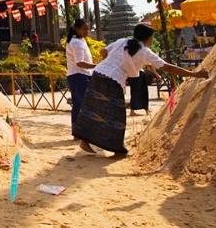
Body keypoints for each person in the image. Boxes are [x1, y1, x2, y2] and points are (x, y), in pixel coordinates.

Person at [73, 23, 208, 157]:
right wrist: (194, 74)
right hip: (112, 80)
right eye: (152, 37)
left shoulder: (122, 41)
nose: (152, 40)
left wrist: (110, 62)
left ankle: (85, 141)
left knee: (93, 108)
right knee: (116, 115)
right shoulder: (144, 52)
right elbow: (167, 67)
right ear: (147, 38)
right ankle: (117, 149)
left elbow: (103, 51)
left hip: (98, 73)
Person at [65, 19, 95, 128]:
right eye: (84, 29)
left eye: (87, 29)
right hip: (79, 76)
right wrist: (96, 66)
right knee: (80, 104)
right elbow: (80, 63)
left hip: (83, 75)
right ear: (77, 29)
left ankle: (82, 129)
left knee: (83, 103)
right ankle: (78, 129)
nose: (87, 31)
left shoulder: (81, 40)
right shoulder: (76, 42)